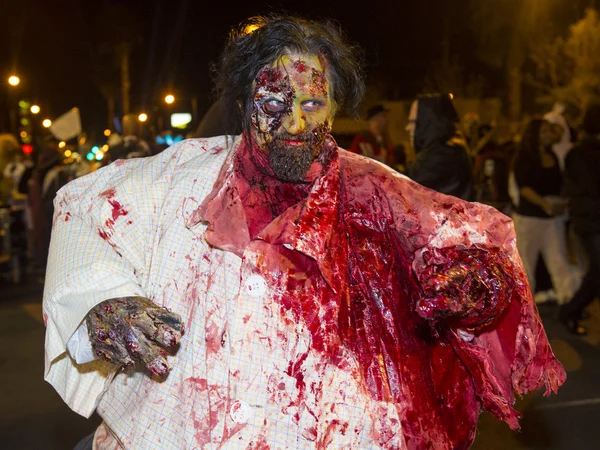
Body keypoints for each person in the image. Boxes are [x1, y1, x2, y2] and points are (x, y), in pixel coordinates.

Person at [44, 15, 564, 450]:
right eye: (274, 103)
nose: (294, 122)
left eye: (312, 105)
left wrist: (478, 286)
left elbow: (466, 247)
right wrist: (101, 307)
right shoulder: (180, 177)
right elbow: (83, 210)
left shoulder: (378, 194)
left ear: (334, 106)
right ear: (245, 101)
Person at [511, 118, 580, 307]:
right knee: (526, 263)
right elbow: (524, 186)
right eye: (544, 132)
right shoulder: (525, 157)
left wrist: (560, 202)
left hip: (552, 218)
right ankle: (524, 306)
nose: (549, 135)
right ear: (534, 135)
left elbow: (558, 184)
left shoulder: (552, 155)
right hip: (529, 218)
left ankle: (568, 302)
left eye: (550, 131)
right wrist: (543, 203)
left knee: (559, 258)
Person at [559, 103, 600, 335]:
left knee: (596, 271)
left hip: (588, 217)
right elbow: (589, 188)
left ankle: (570, 311)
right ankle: (569, 311)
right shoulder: (583, 154)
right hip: (590, 219)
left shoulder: (578, 153)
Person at [405, 93, 474, 200]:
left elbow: (406, 195)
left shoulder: (437, 156)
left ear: (427, 122)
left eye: (413, 122)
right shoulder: (450, 150)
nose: (407, 128)